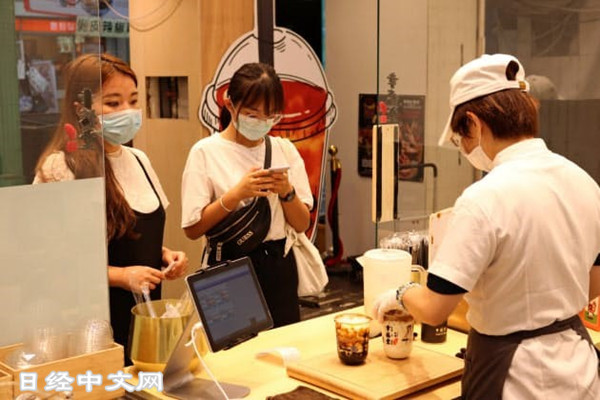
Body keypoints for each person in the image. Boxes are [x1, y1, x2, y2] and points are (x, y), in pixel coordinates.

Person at [372, 54, 600, 399]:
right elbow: (592, 285)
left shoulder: (484, 198)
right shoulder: (583, 181)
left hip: (514, 378)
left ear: (474, 124)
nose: (464, 148)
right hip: (579, 371)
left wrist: (401, 293)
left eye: (459, 138)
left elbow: (434, 309)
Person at [34, 53, 189, 363]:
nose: (127, 111)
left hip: (142, 317)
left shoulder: (139, 160)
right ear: (81, 109)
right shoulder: (61, 167)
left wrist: (165, 254)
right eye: (113, 103)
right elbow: (52, 261)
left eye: (134, 101)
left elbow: (129, 235)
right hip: (91, 324)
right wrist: (121, 276)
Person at [181, 62, 313, 327]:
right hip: (228, 267)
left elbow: (302, 224)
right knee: (234, 349)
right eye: (253, 115)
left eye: (271, 116)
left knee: (283, 346)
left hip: (279, 265)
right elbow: (193, 229)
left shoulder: (284, 149)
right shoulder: (205, 152)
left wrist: (286, 192)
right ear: (230, 105)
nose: (262, 123)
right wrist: (235, 195)